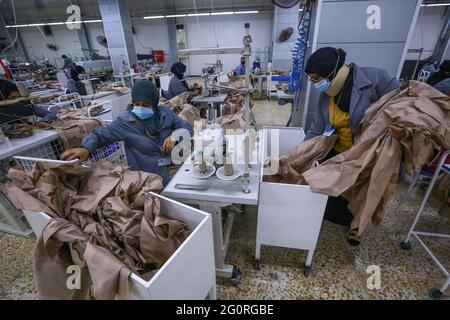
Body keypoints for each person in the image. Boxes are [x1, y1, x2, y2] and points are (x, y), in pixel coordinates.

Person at [304, 47, 400, 245]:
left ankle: (355, 229)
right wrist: (299, 154)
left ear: (332, 73)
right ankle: (337, 216)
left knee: (361, 195)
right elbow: (317, 129)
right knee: (329, 189)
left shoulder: (376, 80)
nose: (314, 83)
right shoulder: (327, 97)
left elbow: (401, 107)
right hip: (340, 149)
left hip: (369, 153)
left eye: (316, 78)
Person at [61, 80, 193, 186]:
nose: (140, 108)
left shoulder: (165, 113)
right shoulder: (124, 122)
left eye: (146, 105)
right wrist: (86, 149)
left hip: (171, 168)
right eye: (137, 103)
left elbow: (187, 127)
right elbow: (99, 134)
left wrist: (175, 136)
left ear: (154, 104)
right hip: (146, 179)